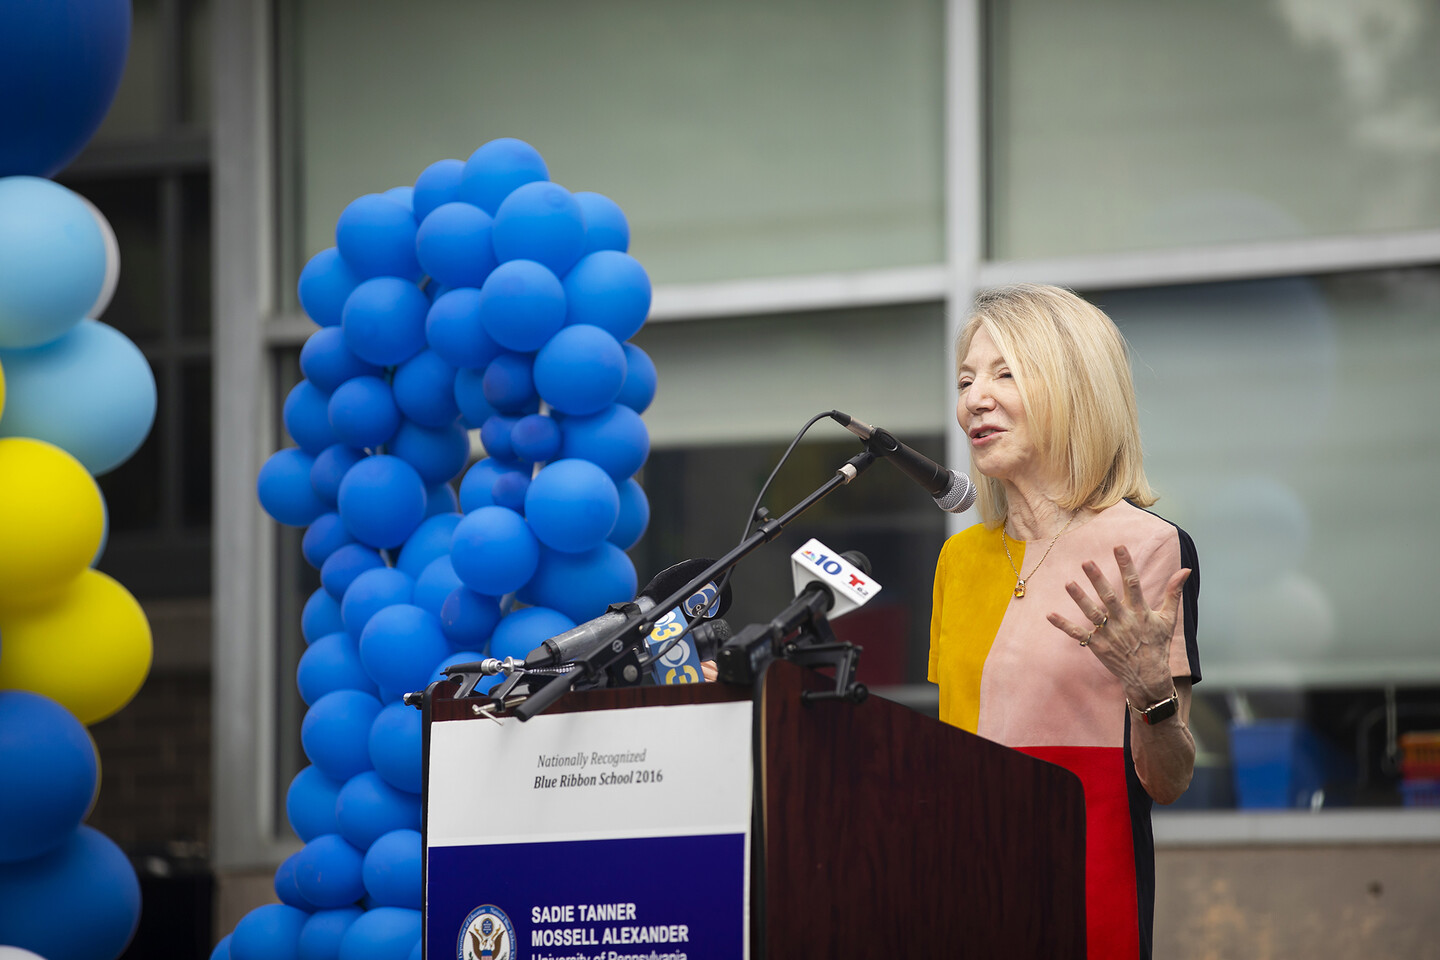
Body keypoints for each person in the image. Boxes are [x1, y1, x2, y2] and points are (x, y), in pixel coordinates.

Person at [929, 283, 1200, 960]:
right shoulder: (958, 560)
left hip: (1085, 896)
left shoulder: (1148, 547)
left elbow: (1169, 781)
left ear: (1075, 389)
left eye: (1005, 374)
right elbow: (946, 751)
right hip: (961, 893)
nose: (974, 399)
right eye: (965, 380)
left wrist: (1151, 694)